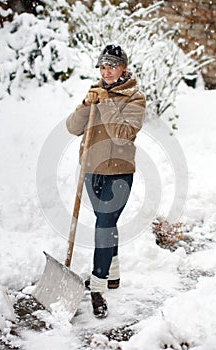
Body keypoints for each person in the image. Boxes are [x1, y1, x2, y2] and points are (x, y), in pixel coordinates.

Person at [66, 44, 146, 318]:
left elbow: (123, 134)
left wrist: (106, 104)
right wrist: (88, 104)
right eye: (102, 66)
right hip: (92, 168)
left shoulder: (135, 98)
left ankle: (98, 285)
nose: (106, 71)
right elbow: (73, 127)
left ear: (124, 67)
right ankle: (113, 274)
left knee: (104, 223)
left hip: (119, 172)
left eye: (112, 65)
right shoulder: (95, 92)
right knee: (106, 223)